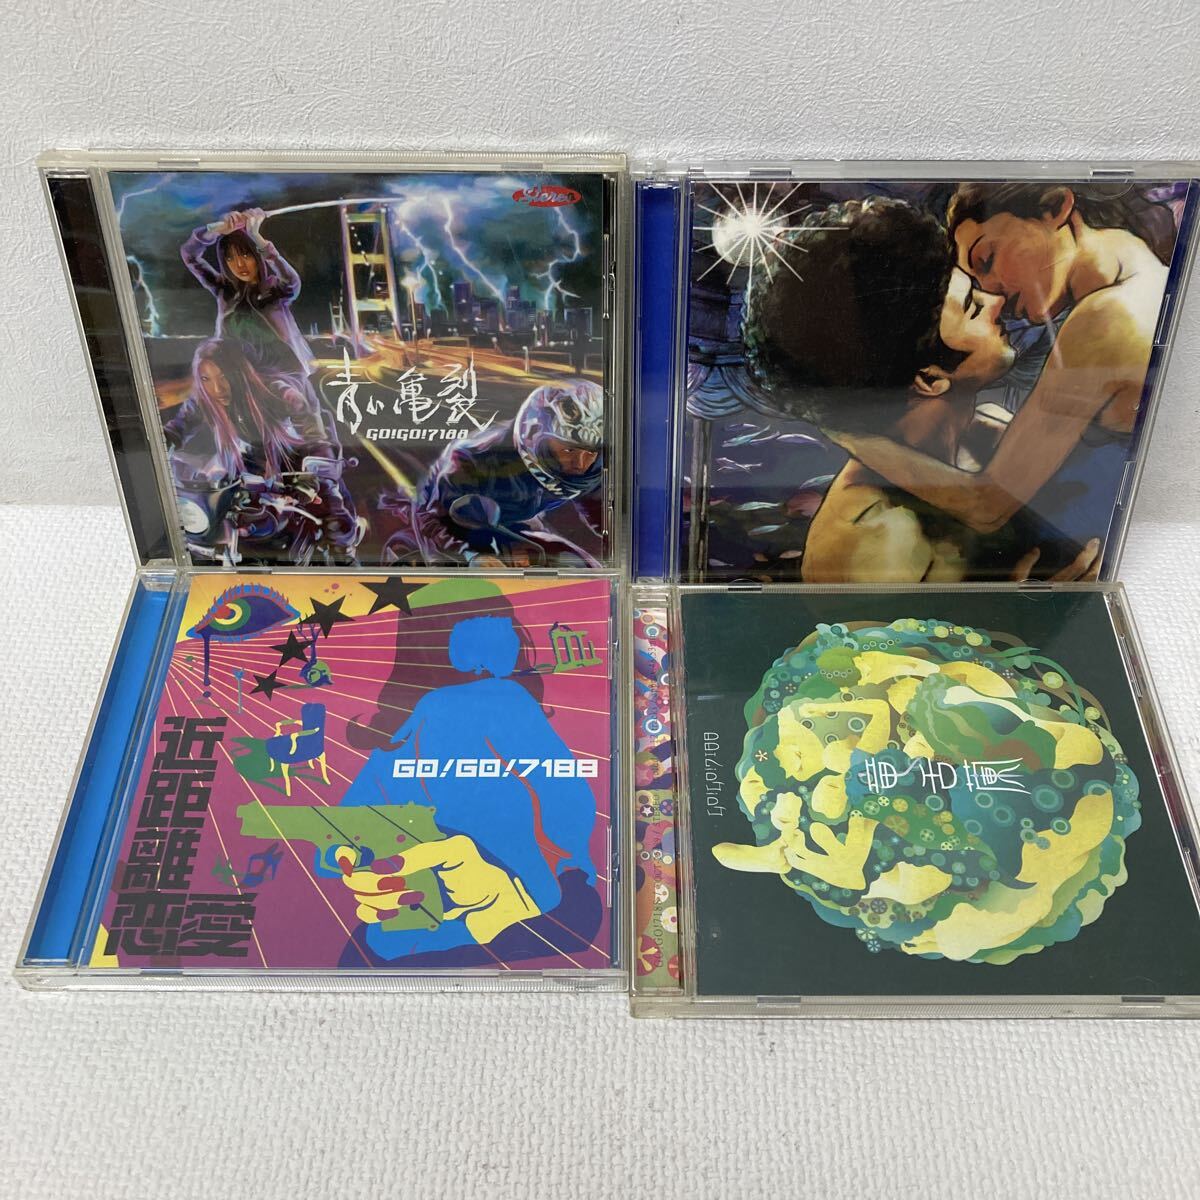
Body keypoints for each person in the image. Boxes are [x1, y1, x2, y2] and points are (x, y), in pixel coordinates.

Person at [819, 183, 1176, 571]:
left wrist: (851, 435)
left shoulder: (1105, 321)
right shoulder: (1143, 281)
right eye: (975, 283)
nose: (994, 295)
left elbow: (988, 505)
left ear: (1055, 206)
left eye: (986, 260)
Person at [743, 198, 1097, 581]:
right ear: (929, 379)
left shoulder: (992, 433)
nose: (998, 300)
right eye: (973, 305)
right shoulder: (871, 537)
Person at [333, 614, 599, 962]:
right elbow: (572, 803)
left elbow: (352, 819)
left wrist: (358, 854)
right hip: (516, 913)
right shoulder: (505, 701)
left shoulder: (433, 709)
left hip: (455, 922)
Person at [165, 338, 359, 559]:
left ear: (239, 371)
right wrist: (162, 443)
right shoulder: (204, 399)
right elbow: (177, 427)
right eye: (206, 379)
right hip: (252, 465)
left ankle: (345, 555)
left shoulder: (278, 392)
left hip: (299, 460)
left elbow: (315, 436)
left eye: (224, 376)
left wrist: (313, 478)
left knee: (334, 522)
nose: (217, 388)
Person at [405, 379, 605, 567]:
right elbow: (434, 519)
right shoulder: (470, 460)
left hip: (513, 519)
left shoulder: (591, 471)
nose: (580, 464)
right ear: (534, 434)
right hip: (443, 518)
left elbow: (601, 514)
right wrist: (471, 556)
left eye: (590, 452)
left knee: (581, 563)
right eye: (569, 450)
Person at [180, 207, 315, 380]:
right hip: (241, 379)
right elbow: (189, 255)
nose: (239, 265)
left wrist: (255, 236)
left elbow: (291, 281)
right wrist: (217, 229)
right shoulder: (224, 289)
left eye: (245, 255)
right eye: (230, 258)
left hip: (283, 376)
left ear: (256, 255)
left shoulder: (274, 289)